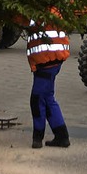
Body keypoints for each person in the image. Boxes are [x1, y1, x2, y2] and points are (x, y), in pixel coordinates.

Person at [24, 10, 71, 149]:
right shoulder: (51, 10)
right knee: (48, 98)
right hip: (50, 61)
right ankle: (62, 136)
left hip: (46, 61)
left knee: (37, 99)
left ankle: (37, 138)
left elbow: (22, 19)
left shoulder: (42, 12)